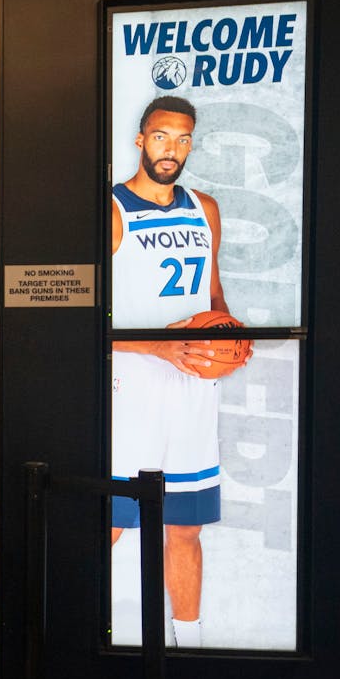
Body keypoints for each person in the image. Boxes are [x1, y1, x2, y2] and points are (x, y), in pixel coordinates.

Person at [110, 95, 250, 648]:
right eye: (162, 136)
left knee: (184, 525)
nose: (173, 149)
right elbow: (89, 320)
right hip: (133, 385)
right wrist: (161, 347)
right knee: (115, 522)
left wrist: (231, 338)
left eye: (184, 138)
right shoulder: (112, 209)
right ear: (141, 139)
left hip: (194, 386)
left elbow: (212, 293)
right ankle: (77, 634)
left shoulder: (204, 207)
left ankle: (190, 645)